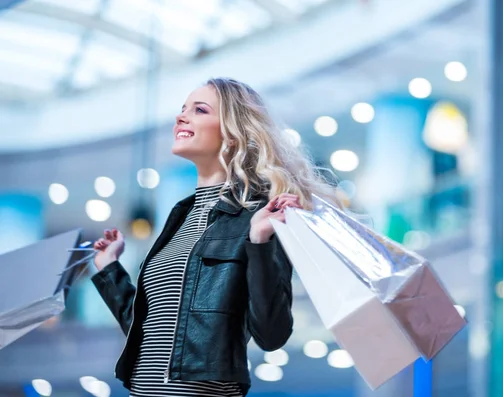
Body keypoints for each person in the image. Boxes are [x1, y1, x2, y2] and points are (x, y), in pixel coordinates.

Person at [90, 77, 338, 397]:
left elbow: (271, 334)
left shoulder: (259, 216)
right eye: (182, 109)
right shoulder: (179, 215)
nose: (181, 117)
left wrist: (260, 241)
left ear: (233, 133)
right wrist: (109, 268)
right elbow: (151, 331)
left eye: (199, 110)